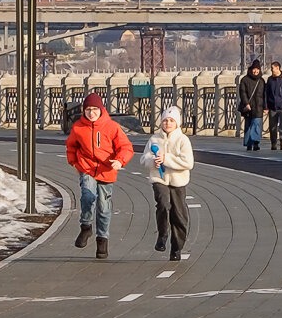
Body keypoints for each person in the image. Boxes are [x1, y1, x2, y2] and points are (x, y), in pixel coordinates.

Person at [65, 92, 134, 259]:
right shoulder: (78, 127)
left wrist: (120, 161)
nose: (91, 113)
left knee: (104, 207)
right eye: (88, 109)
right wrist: (74, 162)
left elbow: (126, 147)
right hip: (87, 167)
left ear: (101, 109)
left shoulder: (111, 127)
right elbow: (71, 146)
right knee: (87, 196)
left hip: (107, 170)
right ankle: (86, 226)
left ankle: (102, 240)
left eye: (95, 109)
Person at [140, 105, 194, 260]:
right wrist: (153, 161)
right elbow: (144, 158)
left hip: (178, 181)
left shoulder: (183, 140)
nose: (168, 123)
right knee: (163, 204)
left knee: (179, 215)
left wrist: (167, 159)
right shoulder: (154, 139)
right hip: (159, 179)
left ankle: (176, 248)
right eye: (165, 120)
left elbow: (188, 163)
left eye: (171, 121)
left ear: (177, 123)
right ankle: (162, 235)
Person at [264, 60, 282, 150]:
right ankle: (273, 143)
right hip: (272, 107)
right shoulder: (270, 80)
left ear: (278, 68)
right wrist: (266, 106)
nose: (271, 70)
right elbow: (266, 93)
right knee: (272, 127)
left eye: (272, 68)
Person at [237, 58, 266, 151]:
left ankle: (256, 142)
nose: (255, 71)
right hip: (248, 106)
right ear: (251, 69)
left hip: (259, 106)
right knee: (248, 125)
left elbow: (265, 94)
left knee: (256, 124)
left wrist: (265, 107)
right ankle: (249, 143)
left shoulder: (261, 81)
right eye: (254, 69)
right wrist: (246, 103)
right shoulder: (245, 80)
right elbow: (242, 92)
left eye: (257, 69)